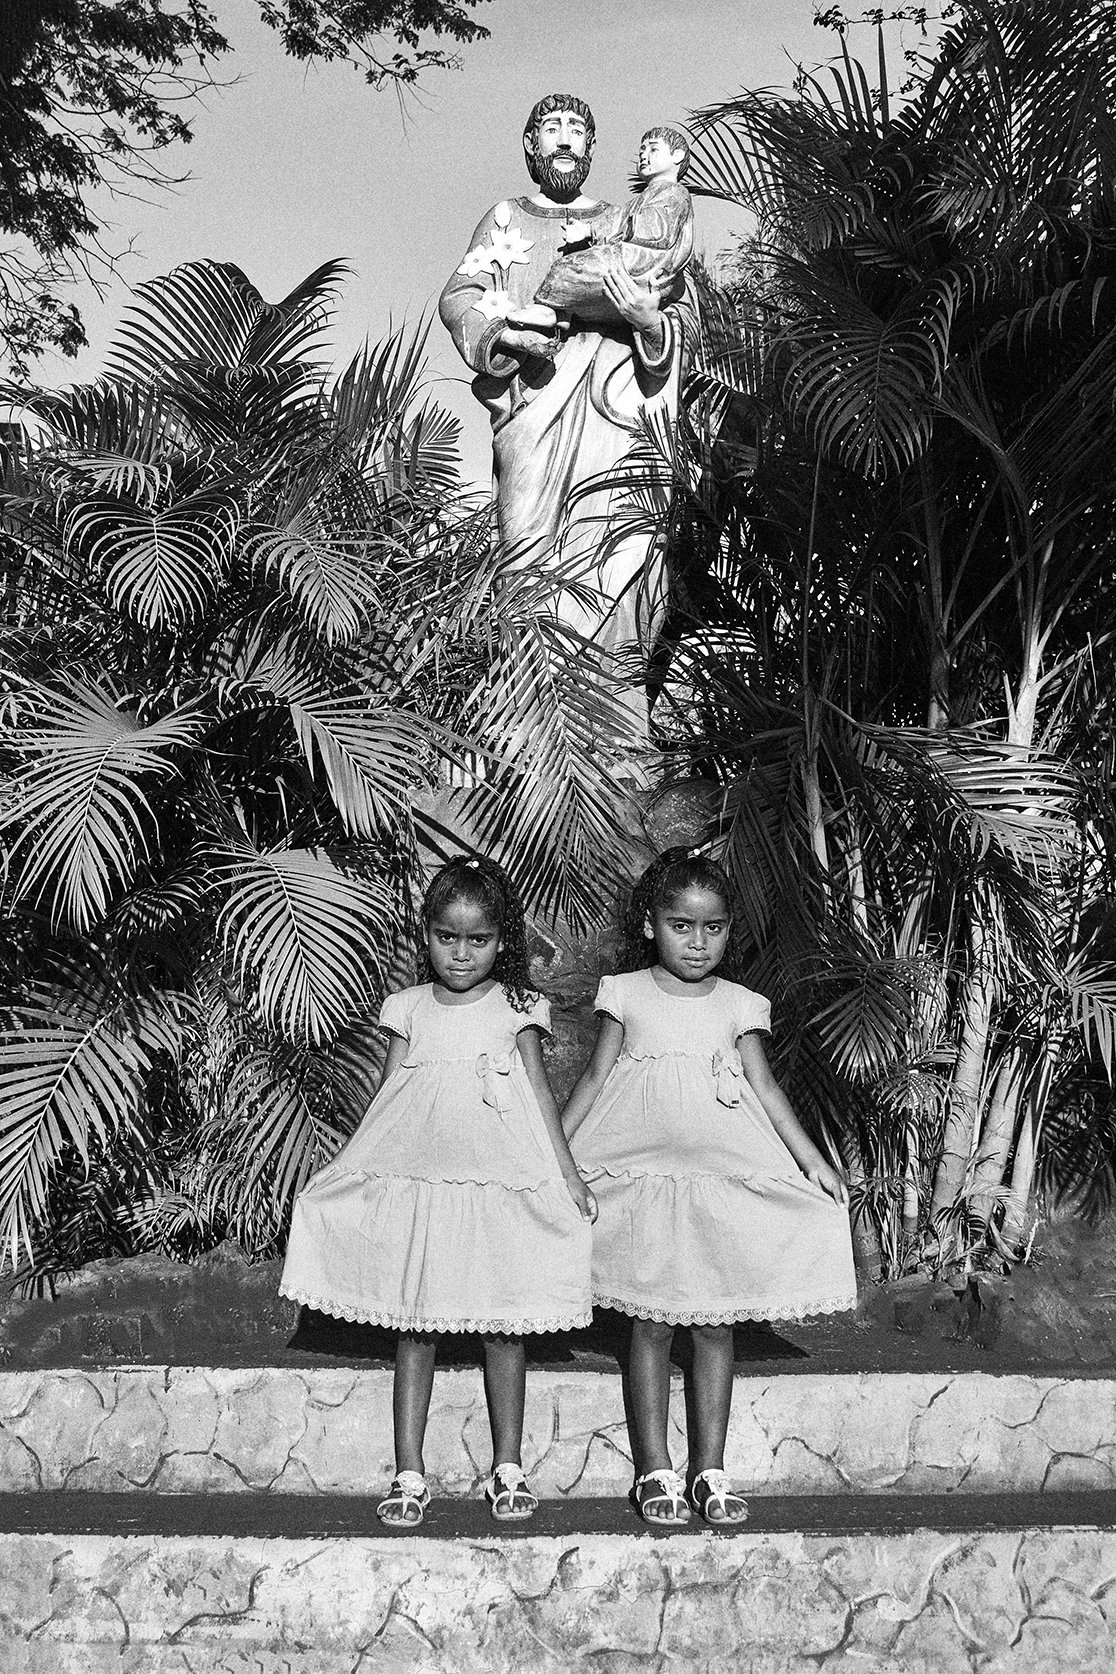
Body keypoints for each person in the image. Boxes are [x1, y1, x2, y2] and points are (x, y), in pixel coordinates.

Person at [279, 856, 596, 1527]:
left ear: (501, 941)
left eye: (477, 940)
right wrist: (346, 1169)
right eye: (446, 938)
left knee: (504, 1328)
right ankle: (408, 1473)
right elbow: (388, 1099)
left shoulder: (518, 1007)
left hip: (498, 1185)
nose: (460, 953)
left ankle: (508, 1468)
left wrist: (567, 1175)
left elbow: (541, 1096)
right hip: (425, 1188)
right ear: (426, 935)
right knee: (415, 1329)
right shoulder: (408, 1009)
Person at [562, 850, 857, 1528]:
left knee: (717, 1323)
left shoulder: (740, 1005)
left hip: (718, 1181)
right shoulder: (626, 994)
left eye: (713, 928)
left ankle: (710, 1470)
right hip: (641, 1180)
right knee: (651, 1320)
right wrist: (558, 1160)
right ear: (648, 925)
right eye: (681, 925)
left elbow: (766, 1089)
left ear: (730, 930)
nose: (698, 943)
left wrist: (811, 1160)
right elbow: (593, 1080)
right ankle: (654, 1470)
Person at [438, 95, 699, 716]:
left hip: (618, 405)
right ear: (530, 145)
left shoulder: (627, 219)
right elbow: (461, 296)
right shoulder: (505, 220)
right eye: (551, 130)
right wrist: (505, 335)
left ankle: (618, 713)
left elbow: (677, 309)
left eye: (576, 131)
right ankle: (534, 722)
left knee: (623, 554)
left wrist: (647, 322)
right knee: (526, 554)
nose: (563, 141)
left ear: (590, 149)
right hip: (535, 404)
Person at [518, 125, 695, 329]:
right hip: (630, 259)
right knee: (572, 268)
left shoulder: (674, 194)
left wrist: (592, 230)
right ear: (531, 142)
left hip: (642, 264)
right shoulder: (642, 198)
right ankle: (561, 313)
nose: (644, 156)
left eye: (653, 150)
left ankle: (550, 309)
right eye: (641, 151)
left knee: (568, 268)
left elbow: (653, 229)